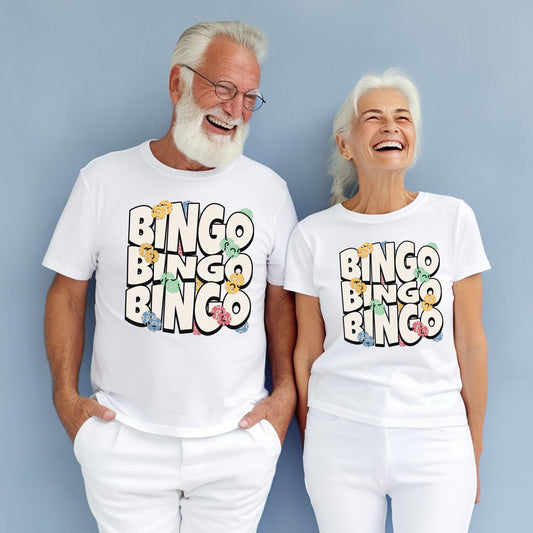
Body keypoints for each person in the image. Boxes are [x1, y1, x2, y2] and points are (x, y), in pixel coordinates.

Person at [43, 20, 297, 533]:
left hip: (237, 442)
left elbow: (282, 303)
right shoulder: (103, 179)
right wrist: (65, 400)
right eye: (223, 87)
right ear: (176, 82)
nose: (234, 109)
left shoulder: (268, 191)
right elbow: (68, 293)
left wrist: (286, 396)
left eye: (250, 97)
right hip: (123, 440)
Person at [284, 68, 490, 533]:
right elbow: (306, 351)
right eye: (373, 118)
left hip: (438, 437)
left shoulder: (453, 219)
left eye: (403, 117)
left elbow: (472, 345)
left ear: (413, 137)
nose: (391, 126)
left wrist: (473, 445)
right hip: (339, 436)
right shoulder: (312, 235)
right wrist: (311, 434)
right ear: (346, 145)